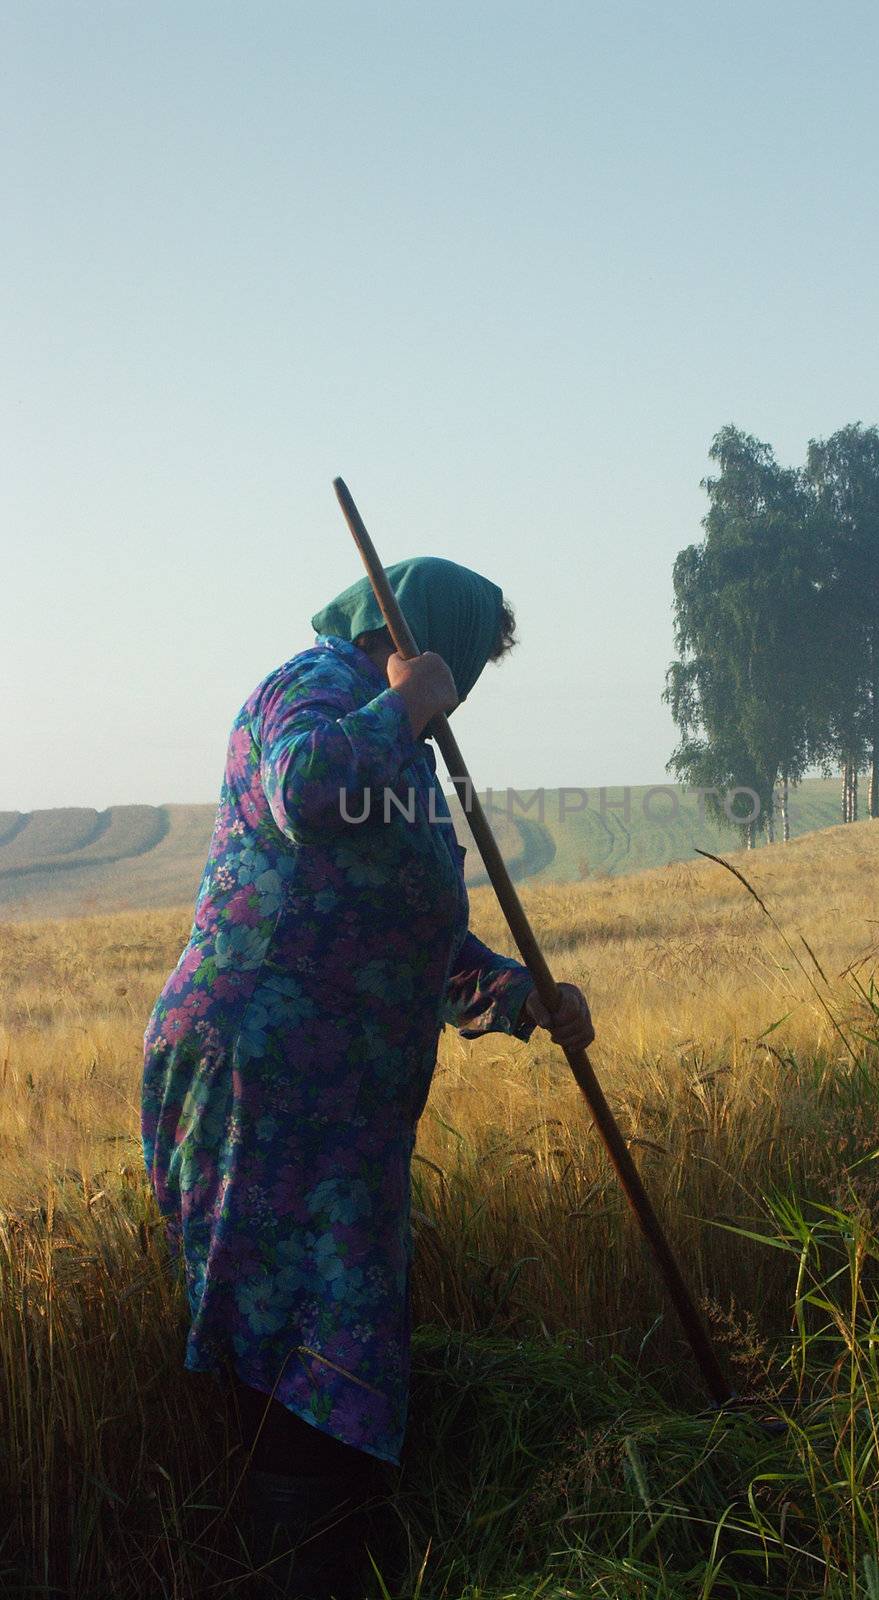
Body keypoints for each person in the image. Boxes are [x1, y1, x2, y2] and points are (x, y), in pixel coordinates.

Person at [140, 557, 593, 1597]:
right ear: (433, 638)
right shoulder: (316, 688)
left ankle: (328, 1559)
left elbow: (414, 940)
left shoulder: (398, 740)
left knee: (337, 1327)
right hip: (262, 1080)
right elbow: (301, 791)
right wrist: (405, 706)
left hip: (338, 1102)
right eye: (469, 663)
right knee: (302, 1327)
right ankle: (305, 1569)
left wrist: (528, 998)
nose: (465, 688)